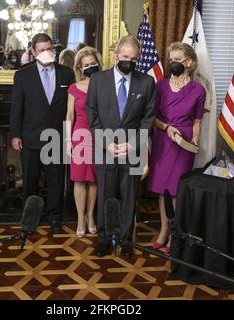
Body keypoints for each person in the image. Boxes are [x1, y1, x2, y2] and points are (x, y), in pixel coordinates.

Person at [85, 35, 156, 258]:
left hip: (132, 152)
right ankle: (105, 239)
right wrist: (106, 143)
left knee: (129, 197)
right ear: (116, 54)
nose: (129, 62)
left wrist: (133, 144)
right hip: (105, 150)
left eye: (134, 59)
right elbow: (92, 114)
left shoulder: (147, 82)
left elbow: (148, 117)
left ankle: (126, 241)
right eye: (126, 57)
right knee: (106, 196)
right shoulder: (98, 80)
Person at [10, 33, 75, 233]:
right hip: (30, 136)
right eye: (42, 50)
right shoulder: (22, 75)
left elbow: (70, 109)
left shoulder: (66, 73)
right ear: (32, 52)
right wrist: (15, 135)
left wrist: (68, 136)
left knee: (55, 181)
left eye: (49, 49)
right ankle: (30, 218)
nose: (47, 53)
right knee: (30, 181)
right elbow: (16, 108)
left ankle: (55, 217)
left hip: (56, 136)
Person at [147, 42, 206, 253]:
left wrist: (195, 142)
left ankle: (175, 234)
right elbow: (152, 117)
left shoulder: (198, 90)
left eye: (177, 60)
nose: (173, 63)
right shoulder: (160, 86)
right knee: (163, 189)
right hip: (163, 138)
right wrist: (167, 128)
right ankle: (163, 230)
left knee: (177, 190)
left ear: (189, 62)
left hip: (184, 142)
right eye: (170, 60)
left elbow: (197, 120)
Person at [65, 47, 102, 238]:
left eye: (93, 64)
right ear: (79, 67)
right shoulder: (74, 87)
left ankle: (91, 217)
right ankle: (80, 219)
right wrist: (67, 140)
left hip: (99, 136)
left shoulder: (104, 85)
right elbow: (69, 115)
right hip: (80, 136)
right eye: (86, 65)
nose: (90, 67)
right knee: (79, 180)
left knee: (93, 179)